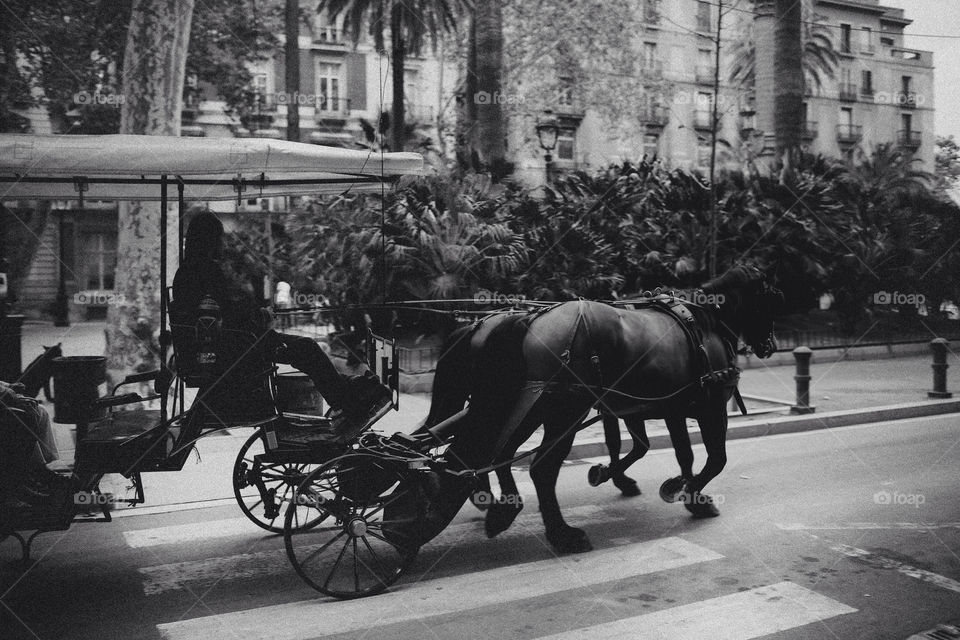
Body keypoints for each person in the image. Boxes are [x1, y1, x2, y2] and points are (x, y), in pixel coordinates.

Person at [172, 211, 391, 438]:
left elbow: (220, 310)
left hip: (231, 343)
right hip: (236, 347)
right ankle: (345, 400)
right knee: (307, 348)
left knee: (306, 348)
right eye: (220, 238)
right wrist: (259, 317)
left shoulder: (187, 271)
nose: (224, 243)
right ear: (210, 240)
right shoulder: (206, 270)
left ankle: (345, 391)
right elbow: (224, 314)